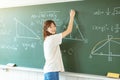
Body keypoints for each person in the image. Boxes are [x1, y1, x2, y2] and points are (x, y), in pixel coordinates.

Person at [43, 9, 75, 80]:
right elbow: (69, 30)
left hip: (49, 70)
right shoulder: (53, 38)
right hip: (51, 70)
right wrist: (72, 16)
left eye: (54, 26)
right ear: (46, 29)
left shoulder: (47, 39)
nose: (53, 28)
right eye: (50, 27)